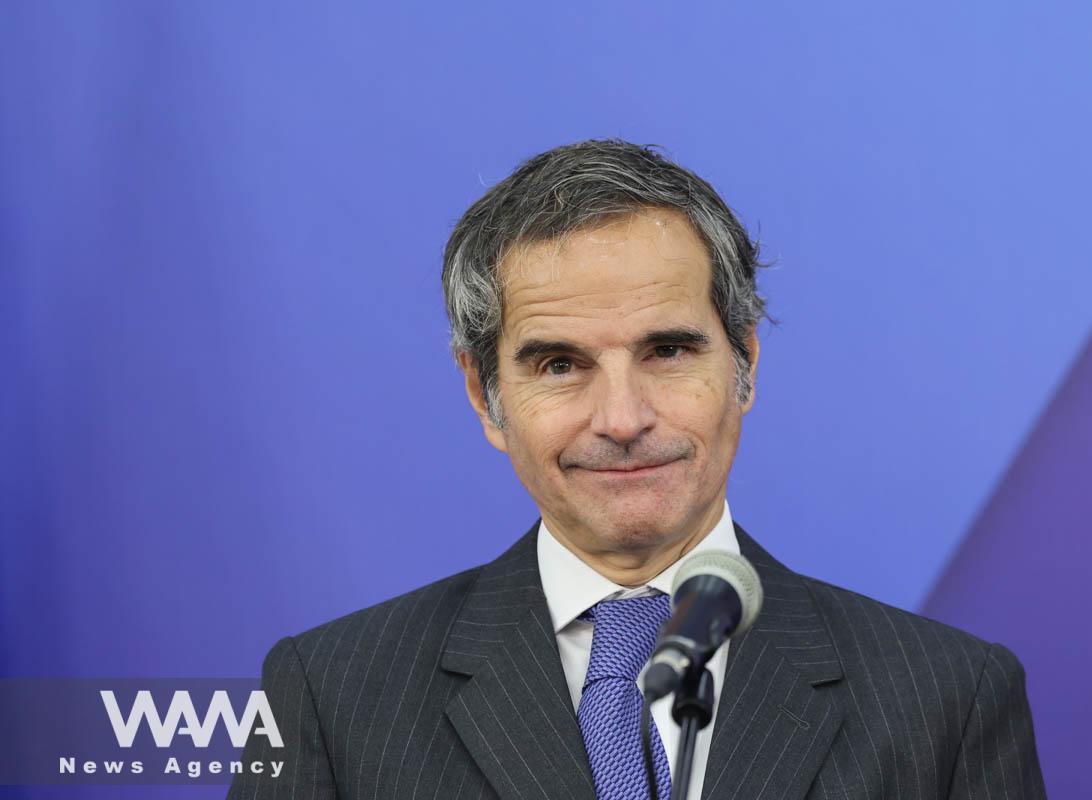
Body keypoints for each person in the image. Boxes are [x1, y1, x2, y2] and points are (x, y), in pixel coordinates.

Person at [228, 139, 1045, 799]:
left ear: (745, 367)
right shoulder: (329, 696)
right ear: (485, 396)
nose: (622, 420)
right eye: (558, 364)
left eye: (668, 350)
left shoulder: (948, 699)